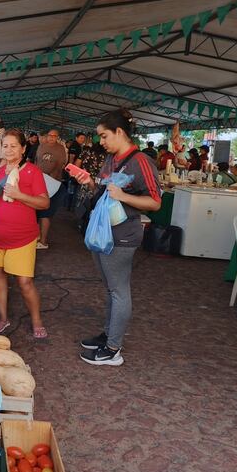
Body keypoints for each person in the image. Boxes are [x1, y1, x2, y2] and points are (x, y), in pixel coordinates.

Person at [71, 109, 161, 366]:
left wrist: (124, 197)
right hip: (103, 233)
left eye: (104, 136)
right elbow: (103, 192)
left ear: (120, 132)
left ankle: (113, 349)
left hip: (122, 235)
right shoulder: (111, 159)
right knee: (111, 289)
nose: (101, 141)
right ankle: (108, 333)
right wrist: (89, 182)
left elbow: (155, 202)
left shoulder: (140, 160)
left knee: (119, 291)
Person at [0, 129, 50, 338]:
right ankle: (3, 318)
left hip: (22, 238)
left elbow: (44, 202)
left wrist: (19, 195)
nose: (8, 150)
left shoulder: (32, 172)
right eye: (5, 146)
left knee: (25, 282)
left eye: (13, 146)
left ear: (24, 148)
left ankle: (37, 321)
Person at [34, 128, 67, 249]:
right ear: (47, 136)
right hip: (39, 180)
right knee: (36, 210)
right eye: (50, 135)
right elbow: (37, 162)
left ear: (57, 137)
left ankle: (43, 241)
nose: (52, 138)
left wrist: (50, 176)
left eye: (54, 136)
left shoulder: (60, 149)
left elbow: (60, 165)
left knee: (45, 213)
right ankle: (37, 236)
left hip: (53, 183)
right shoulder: (41, 146)